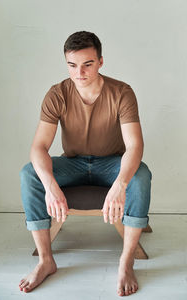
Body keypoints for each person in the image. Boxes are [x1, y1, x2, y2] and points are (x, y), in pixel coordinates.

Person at [19, 31, 152, 297]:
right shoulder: (57, 93)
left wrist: (120, 184)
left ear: (101, 62)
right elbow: (39, 146)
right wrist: (50, 185)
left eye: (87, 64)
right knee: (29, 173)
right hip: (74, 163)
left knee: (141, 175)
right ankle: (46, 260)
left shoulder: (122, 92)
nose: (79, 72)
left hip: (111, 162)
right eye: (72, 65)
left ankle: (126, 262)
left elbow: (135, 145)